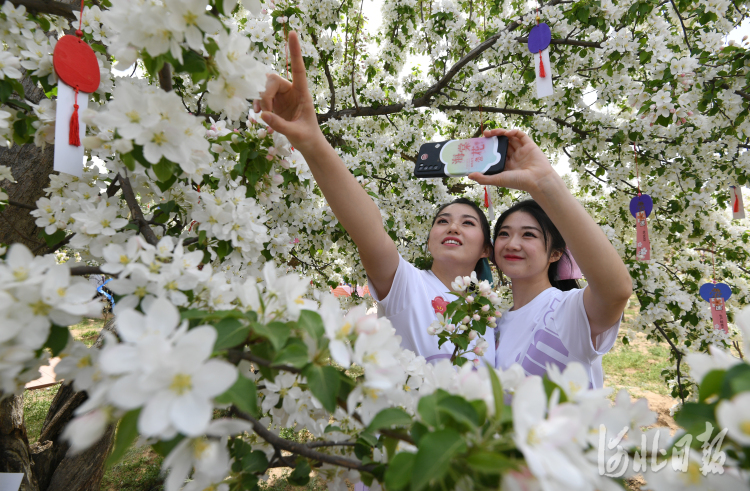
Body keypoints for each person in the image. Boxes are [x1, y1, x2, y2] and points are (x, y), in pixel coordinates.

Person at [256, 33, 633, 385]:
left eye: (469, 222)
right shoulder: (406, 286)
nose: (452, 227)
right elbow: (368, 228)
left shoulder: (493, 320)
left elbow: (614, 290)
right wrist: (313, 143)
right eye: (442, 221)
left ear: (486, 250)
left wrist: (545, 182)